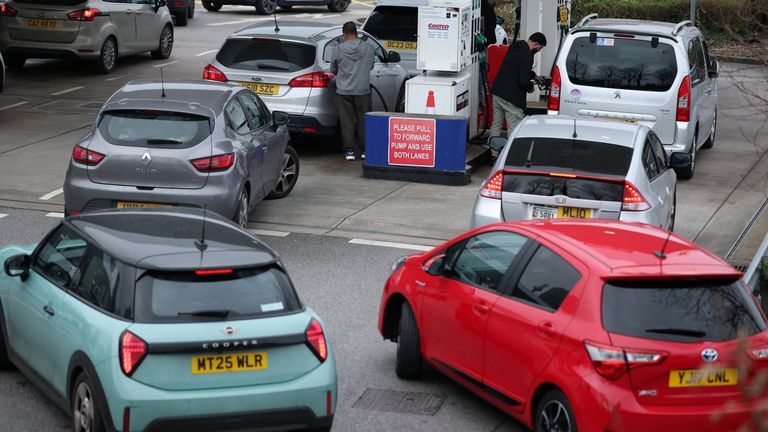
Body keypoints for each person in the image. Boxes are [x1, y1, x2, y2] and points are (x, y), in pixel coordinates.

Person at [330, 21, 376, 161]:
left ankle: (349, 152)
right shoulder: (369, 48)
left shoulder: (338, 49)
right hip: (363, 90)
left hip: (344, 91)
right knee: (363, 121)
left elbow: (333, 69)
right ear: (356, 33)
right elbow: (371, 66)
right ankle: (364, 151)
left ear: (344, 34)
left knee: (347, 122)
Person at [489, 32, 546, 138]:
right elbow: (523, 80)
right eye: (540, 48)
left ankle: (494, 152)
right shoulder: (528, 55)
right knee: (514, 128)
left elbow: (517, 67)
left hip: (497, 92)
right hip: (512, 99)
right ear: (536, 44)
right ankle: (510, 154)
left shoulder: (515, 46)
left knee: (496, 125)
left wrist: (533, 76)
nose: (538, 51)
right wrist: (530, 87)